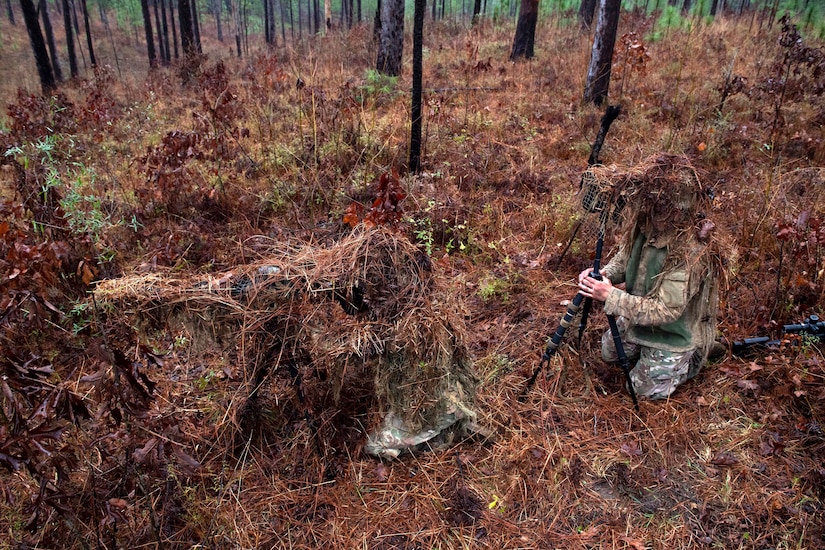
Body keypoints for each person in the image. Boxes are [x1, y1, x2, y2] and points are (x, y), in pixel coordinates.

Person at [576, 154, 720, 400]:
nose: (657, 210)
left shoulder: (691, 251)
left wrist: (611, 295)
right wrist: (603, 274)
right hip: (638, 317)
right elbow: (624, 257)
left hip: (672, 332)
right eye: (654, 203)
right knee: (609, 354)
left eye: (665, 205)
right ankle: (649, 354)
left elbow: (666, 311)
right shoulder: (645, 223)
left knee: (642, 391)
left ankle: (691, 359)